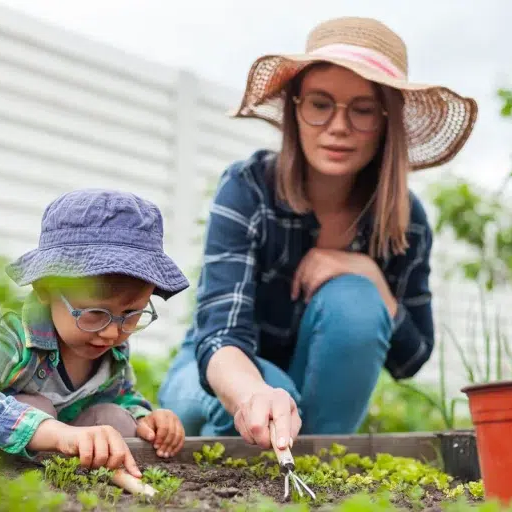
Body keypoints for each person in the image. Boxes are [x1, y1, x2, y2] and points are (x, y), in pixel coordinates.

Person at [158, 16, 478, 452]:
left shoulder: (408, 220)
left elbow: (411, 358)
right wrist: (257, 395)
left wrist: (369, 275)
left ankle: (322, 460)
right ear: (295, 108)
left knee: (356, 299)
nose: (339, 126)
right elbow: (220, 337)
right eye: (320, 103)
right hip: (229, 372)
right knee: (255, 394)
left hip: (325, 409)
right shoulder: (248, 188)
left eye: (363, 109)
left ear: (387, 122)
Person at [0, 189, 190, 477]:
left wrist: (147, 419)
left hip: (46, 465)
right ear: (45, 288)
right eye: (95, 313)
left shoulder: (111, 346)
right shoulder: (9, 333)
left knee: (114, 419)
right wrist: (51, 431)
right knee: (36, 405)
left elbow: (120, 396)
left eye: (132, 315)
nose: (111, 333)